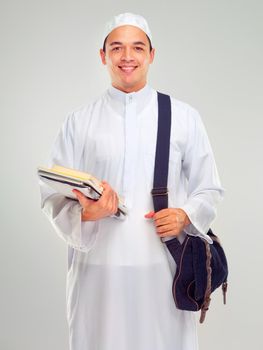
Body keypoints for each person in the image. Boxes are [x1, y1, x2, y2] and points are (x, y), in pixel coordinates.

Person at [40, 12, 224, 350]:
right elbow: (52, 194)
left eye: (137, 48)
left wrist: (184, 215)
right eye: (117, 48)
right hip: (98, 273)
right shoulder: (79, 122)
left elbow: (209, 189)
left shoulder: (183, 117)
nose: (127, 57)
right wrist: (86, 213)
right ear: (103, 56)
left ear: (151, 55)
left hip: (165, 273)